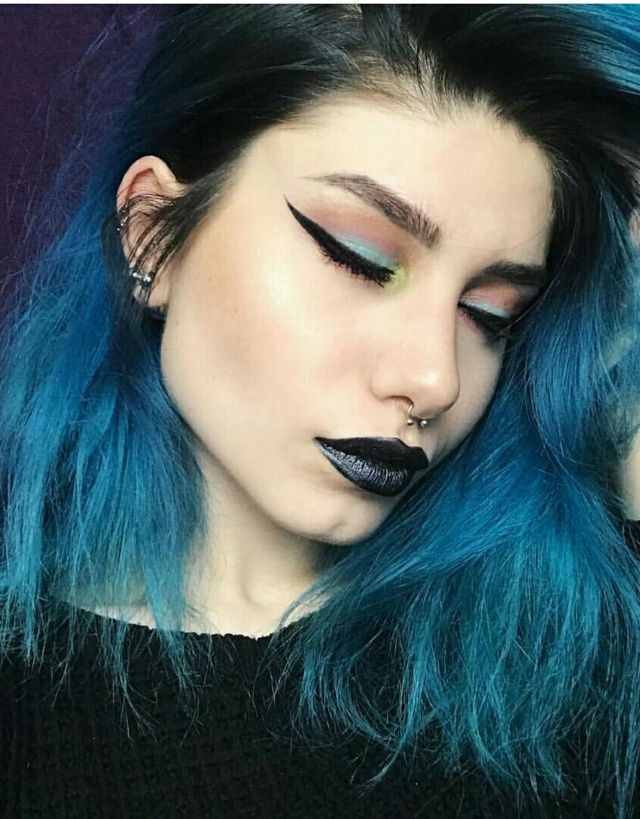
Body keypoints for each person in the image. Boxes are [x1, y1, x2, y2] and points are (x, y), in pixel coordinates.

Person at [1, 4, 640, 817]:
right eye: (361, 258)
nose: (434, 378)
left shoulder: (568, 654)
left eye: (489, 315)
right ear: (153, 235)